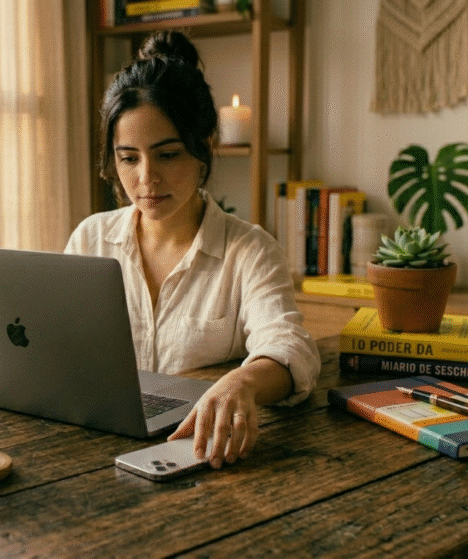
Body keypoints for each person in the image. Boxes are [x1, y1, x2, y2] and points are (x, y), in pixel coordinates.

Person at [65, 30, 320, 469]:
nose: (146, 179)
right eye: (129, 158)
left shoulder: (250, 251)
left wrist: (242, 381)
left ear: (206, 148)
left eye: (167, 155)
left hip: (201, 455)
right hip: (92, 449)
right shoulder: (90, 239)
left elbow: (289, 346)